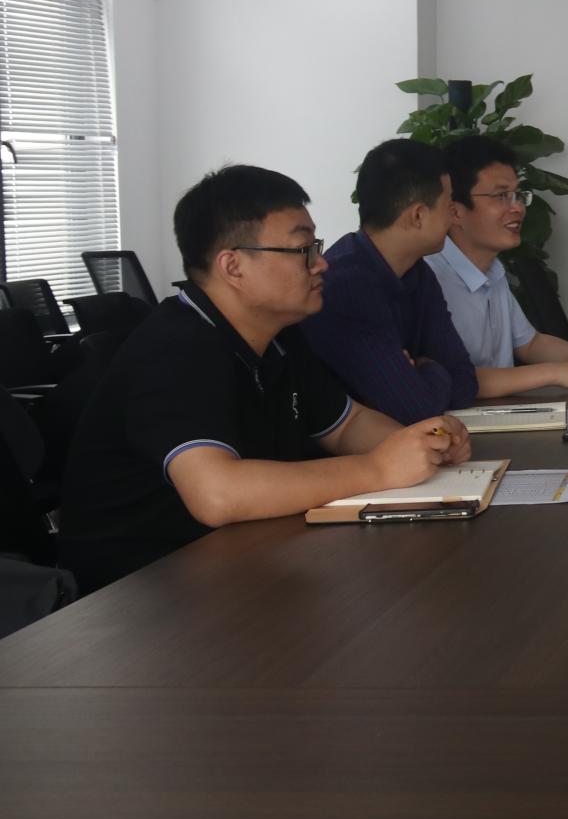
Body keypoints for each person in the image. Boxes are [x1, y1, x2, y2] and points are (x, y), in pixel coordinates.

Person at [58, 166, 472, 593]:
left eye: (316, 246)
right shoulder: (176, 348)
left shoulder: (279, 336)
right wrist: (378, 468)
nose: (322, 263)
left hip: (239, 558)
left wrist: (423, 443)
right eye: (302, 250)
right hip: (138, 589)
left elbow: (347, 424)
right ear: (233, 266)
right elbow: (218, 494)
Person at [427, 137, 568, 396]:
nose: (517, 208)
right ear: (455, 211)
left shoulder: (493, 270)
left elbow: (530, 344)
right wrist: (557, 373)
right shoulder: (429, 278)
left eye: (518, 195)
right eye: (501, 196)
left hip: (499, 413)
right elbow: (452, 379)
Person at [303, 138, 477, 424]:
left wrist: (418, 372)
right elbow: (415, 410)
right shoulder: (345, 285)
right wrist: (429, 367)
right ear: (418, 215)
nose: (454, 215)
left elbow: (465, 382)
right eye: (449, 205)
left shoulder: (418, 271)